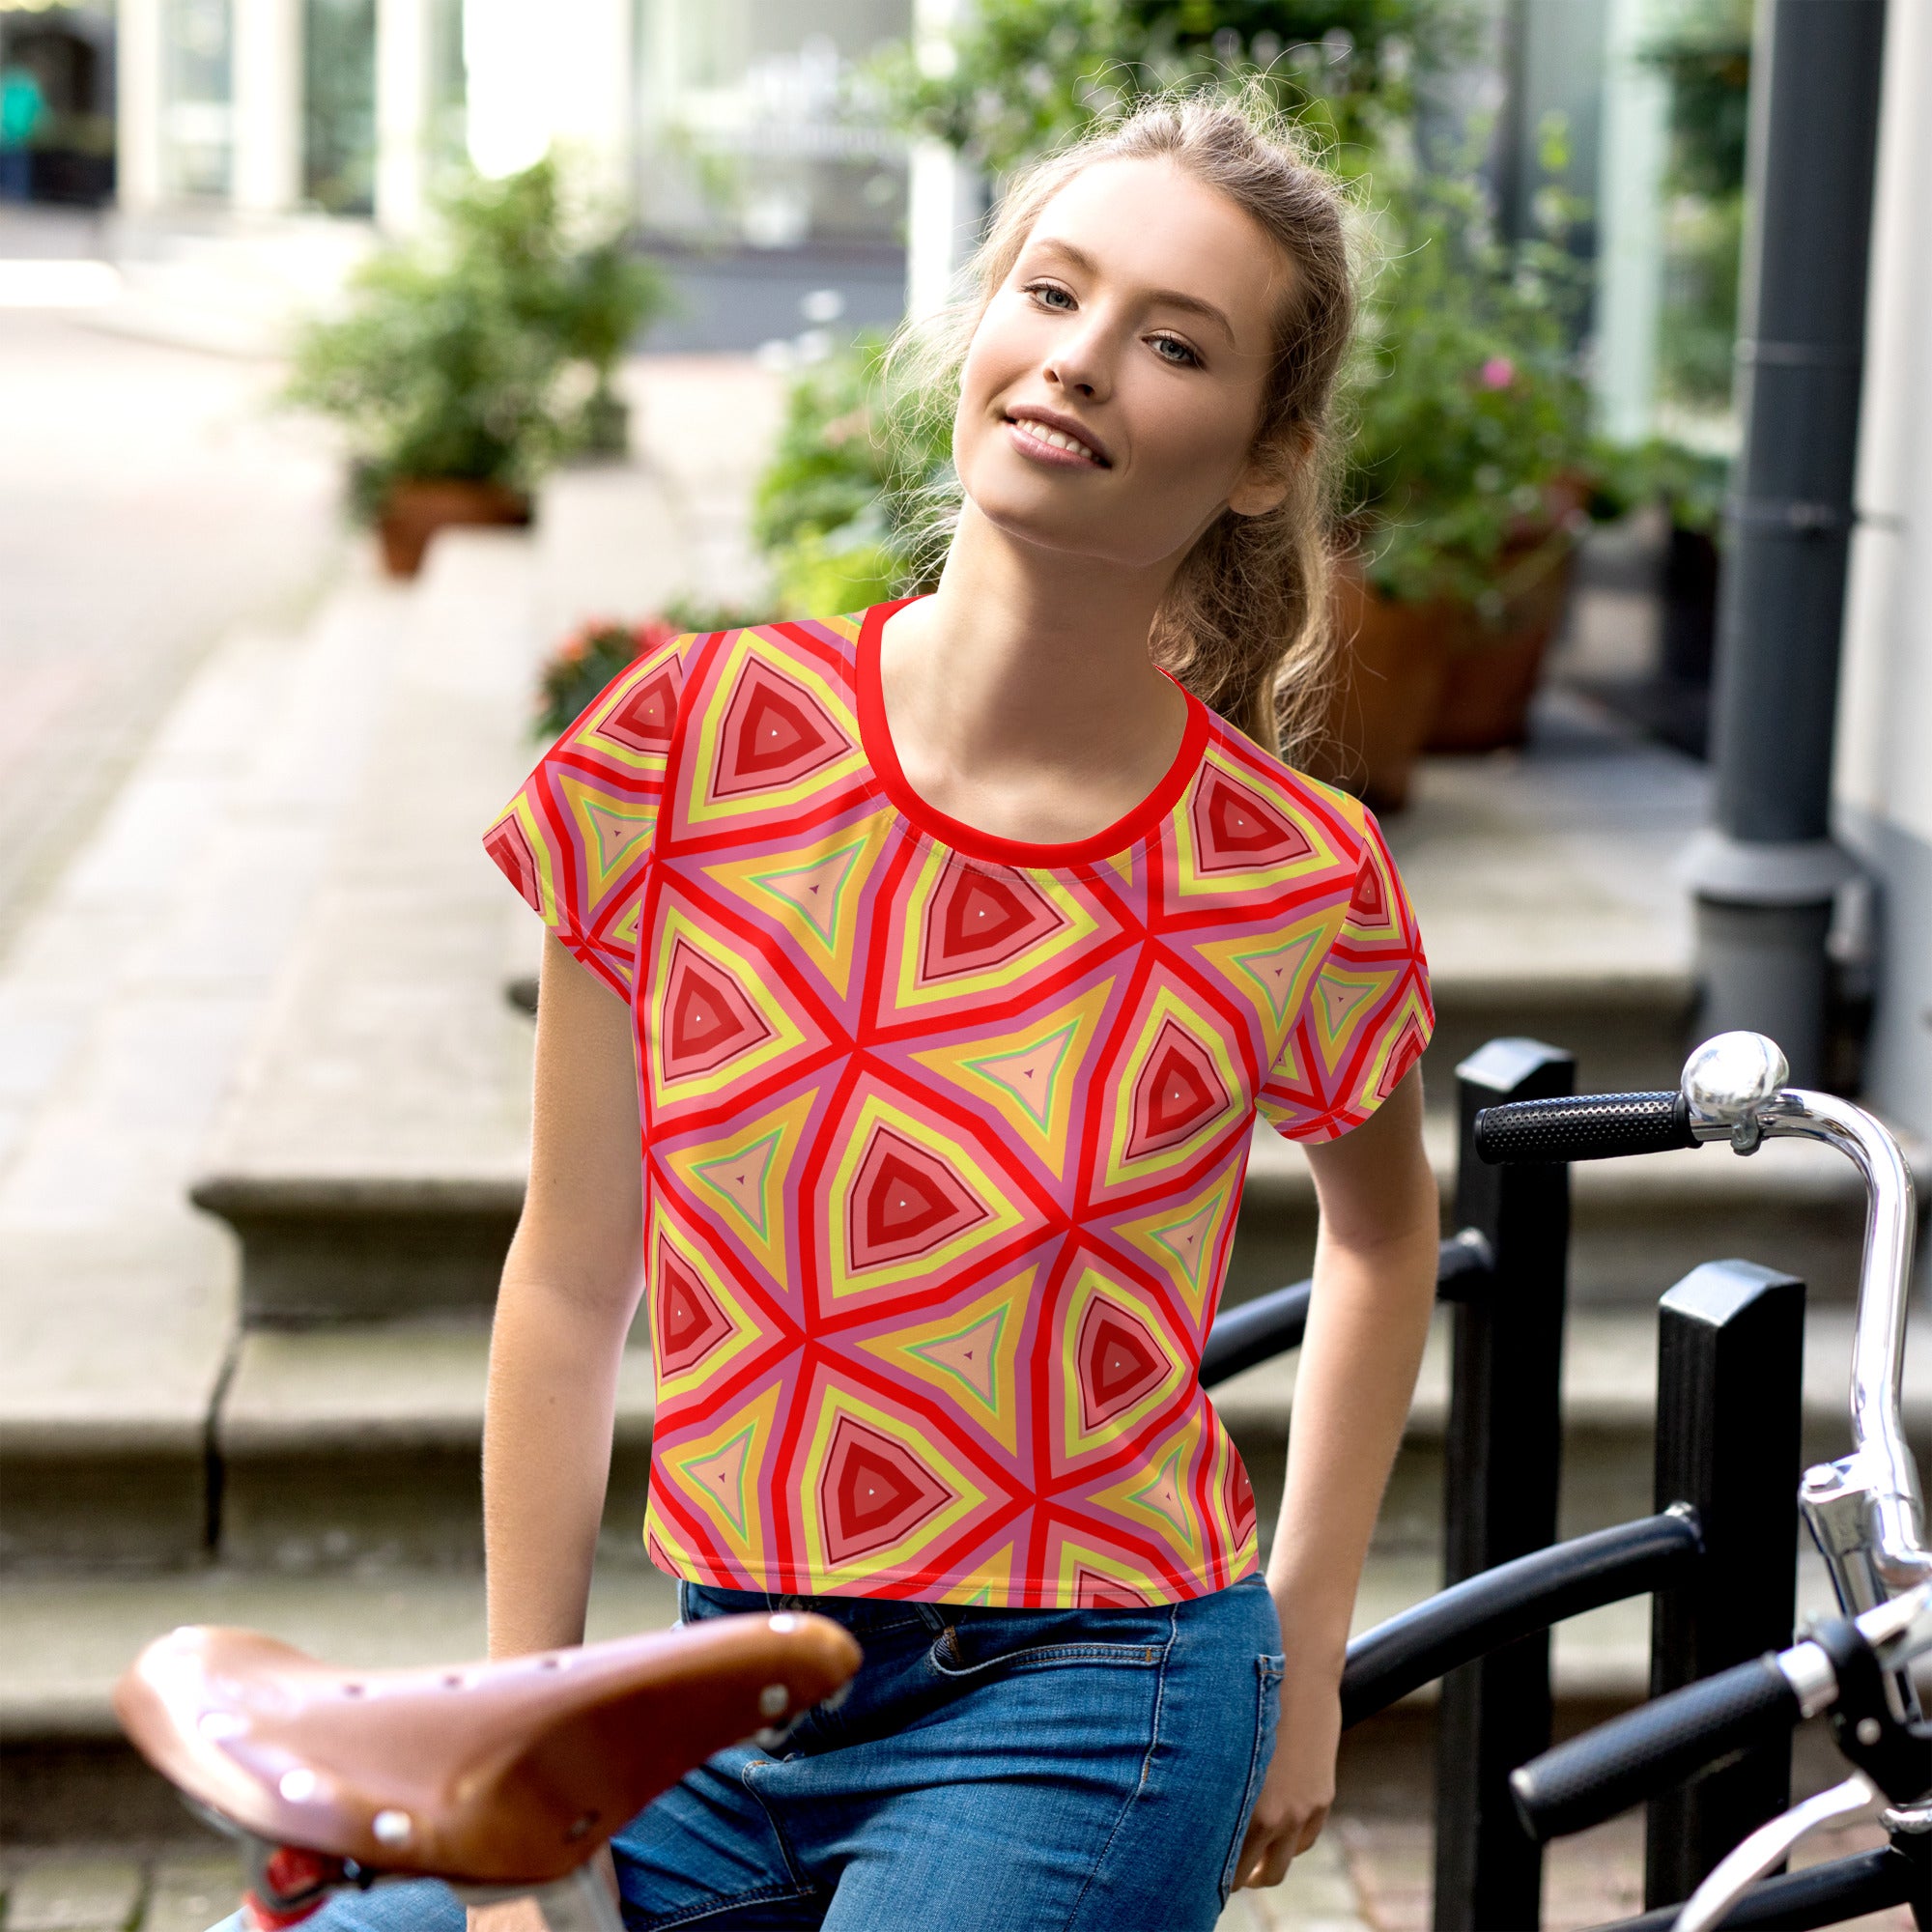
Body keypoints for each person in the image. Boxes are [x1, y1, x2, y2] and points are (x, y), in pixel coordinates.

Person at [300, 85, 1440, 1932]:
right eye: (1052, 294)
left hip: (1095, 1698)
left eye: (1172, 342)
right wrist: (526, 1778)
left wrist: (1304, 1651)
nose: (1080, 362)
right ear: (981, 322)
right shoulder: (689, 745)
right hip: (708, 1693)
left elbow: (1390, 1241)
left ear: (1258, 455)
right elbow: (573, 1275)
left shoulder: (1292, 877)